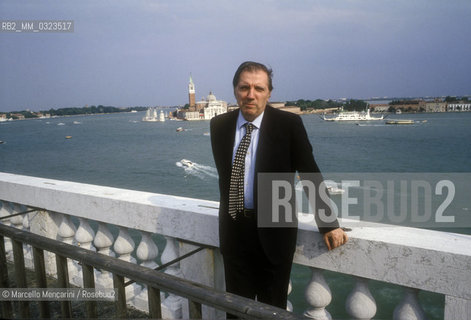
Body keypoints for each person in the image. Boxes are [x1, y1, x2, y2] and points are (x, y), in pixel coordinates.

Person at [210, 61, 348, 310]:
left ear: (269, 93)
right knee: (236, 310)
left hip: (275, 233)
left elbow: (309, 173)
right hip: (234, 233)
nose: (251, 94)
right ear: (235, 90)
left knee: (272, 309)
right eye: (244, 87)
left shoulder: (288, 125)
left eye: (258, 88)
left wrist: (328, 224)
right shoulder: (219, 126)